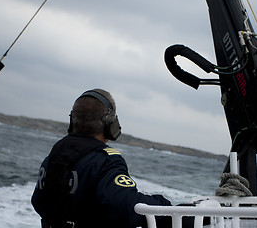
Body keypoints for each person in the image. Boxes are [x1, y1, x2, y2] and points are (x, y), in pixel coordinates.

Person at [31, 88, 173, 228]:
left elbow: (37, 202)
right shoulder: (106, 161)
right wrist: (164, 204)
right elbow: (128, 207)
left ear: (72, 120)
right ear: (110, 123)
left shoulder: (53, 157)